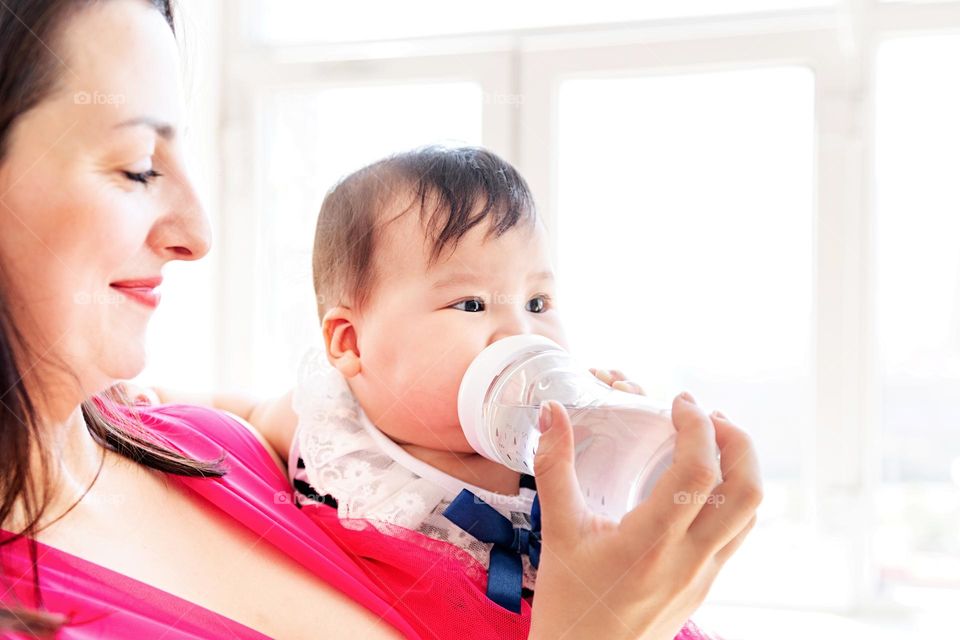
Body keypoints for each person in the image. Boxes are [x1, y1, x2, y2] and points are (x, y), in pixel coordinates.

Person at [0, 0, 763, 638]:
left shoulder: (206, 450)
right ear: (349, 342)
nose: (198, 233)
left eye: (537, 303)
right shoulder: (338, 451)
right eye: (136, 165)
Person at [179, 146, 722, 638]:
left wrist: (620, 440)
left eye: (537, 303)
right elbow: (242, 412)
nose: (519, 333)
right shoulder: (332, 432)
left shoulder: (562, 444)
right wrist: (147, 395)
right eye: (470, 304)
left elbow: (636, 530)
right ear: (351, 342)